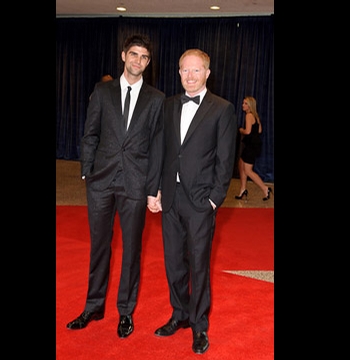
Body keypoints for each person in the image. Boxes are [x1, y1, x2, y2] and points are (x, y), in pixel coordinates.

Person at [66, 34, 164, 339]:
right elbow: (90, 134)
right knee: (99, 247)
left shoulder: (156, 99)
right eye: (133, 54)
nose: (138, 61)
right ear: (123, 56)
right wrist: (87, 172)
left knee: (132, 250)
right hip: (101, 182)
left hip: (136, 183)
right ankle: (94, 305)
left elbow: (158, 146)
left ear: (148, 62)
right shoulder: (103, 91)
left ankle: (125, 311)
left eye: (144, 57)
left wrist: (154, 187)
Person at [151, 48, 236, 354]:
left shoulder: (222, 109)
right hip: (170, 199)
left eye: (196, 70)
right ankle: (180, 314)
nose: (189, 76)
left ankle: (199, 325)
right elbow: (160, 150)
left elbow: (225, 161)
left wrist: (214, 200)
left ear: (207, 73)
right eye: (184, 70)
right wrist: (155, 189)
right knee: (174, 263)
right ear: (179, 72)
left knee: (199, 266)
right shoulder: (169, 105)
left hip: (201, 202)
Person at [234, 96, 272, 201]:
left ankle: (265, 189)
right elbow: (259, 131)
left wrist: (240, 130)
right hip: (253, 145)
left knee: (248, 170)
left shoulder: (249, 116)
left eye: (245, 103)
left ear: (250, 105)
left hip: (251, 146)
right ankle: (243, 190)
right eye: (243, 103)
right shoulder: (256, 116)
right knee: (241, 164)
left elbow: (247, 132)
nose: (243, 105)